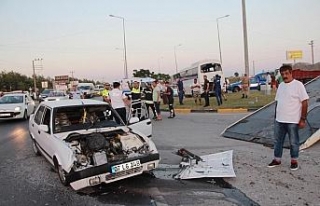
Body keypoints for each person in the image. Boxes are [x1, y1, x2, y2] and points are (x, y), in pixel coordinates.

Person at [268, 64, 309, 171]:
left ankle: (294, 161)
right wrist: (276, 116)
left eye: (286, 73)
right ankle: (277, 159)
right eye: (282, 74)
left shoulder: (298, 85)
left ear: (291, 73)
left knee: (293, 142)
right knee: (278, 141)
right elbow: (278, 102)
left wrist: (303, 119)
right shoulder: (281, 85)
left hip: (293, 120)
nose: (285, 76)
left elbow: (304, 102)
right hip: (279, 120)